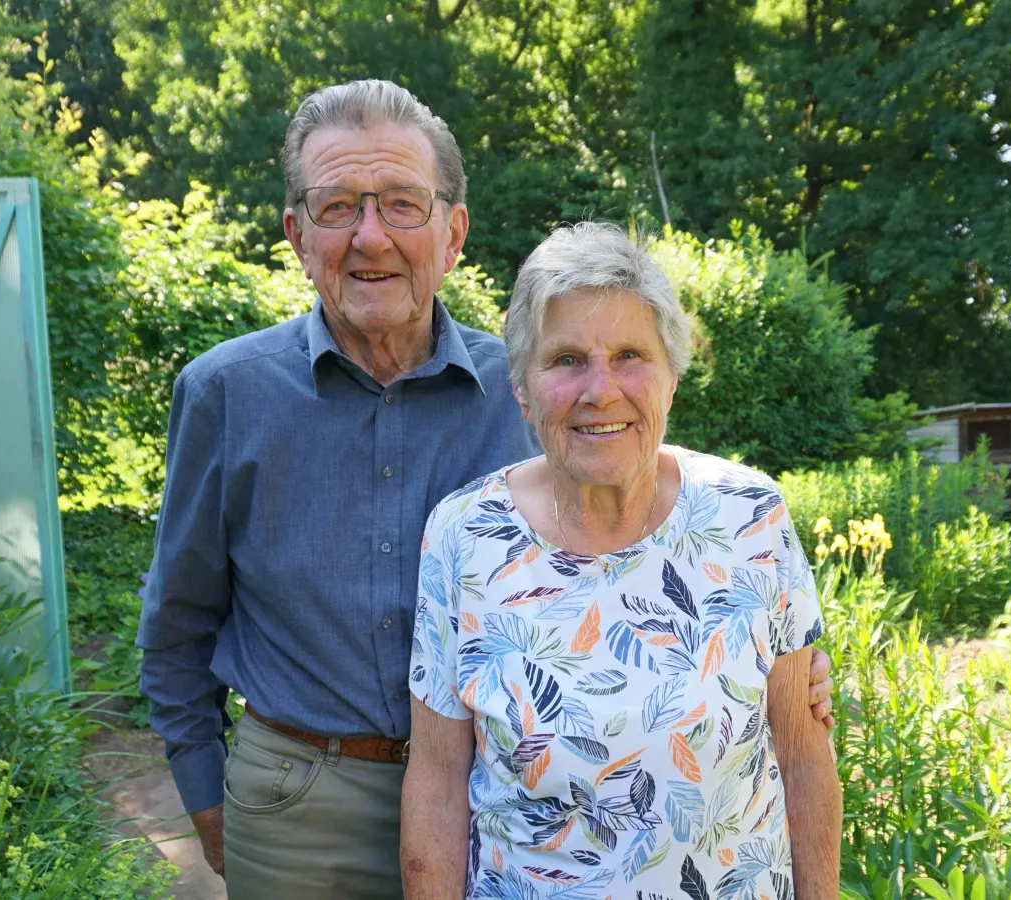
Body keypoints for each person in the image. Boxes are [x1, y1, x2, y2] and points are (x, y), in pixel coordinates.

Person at [136, 80, 838, 898]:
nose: (370, 236)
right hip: (305, 799)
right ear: (296, 233)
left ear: (453, 233)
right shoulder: (226, 394)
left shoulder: (539, 384)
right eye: (337, 207)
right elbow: (178, 619)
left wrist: (764, 672)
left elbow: (637, 553)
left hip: (508, 794)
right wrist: (206, 793)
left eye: (402, 204)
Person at [401, 222, 842, 899]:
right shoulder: (464, 535)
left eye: (630, 355)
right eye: (566, 360)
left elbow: (804, 760)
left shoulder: (750, 517)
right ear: (522, 388)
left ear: (671, 377)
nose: (600, 390)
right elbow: (436, 785)